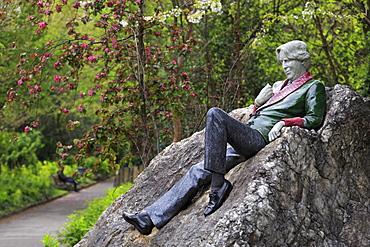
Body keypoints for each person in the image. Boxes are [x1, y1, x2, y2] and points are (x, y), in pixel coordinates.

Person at [122, 40, 326, 235]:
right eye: (282, 62)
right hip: (247, 137)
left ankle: (218, 187)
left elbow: (314, 118)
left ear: (302, 60)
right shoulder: (280, 86)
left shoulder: (312, 86)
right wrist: (257, 103)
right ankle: (149, 218)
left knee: (215, 114)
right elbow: (258, 116)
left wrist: (284, 122)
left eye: (288, 61)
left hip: (259, 139)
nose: (284, 66)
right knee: (197, 171)